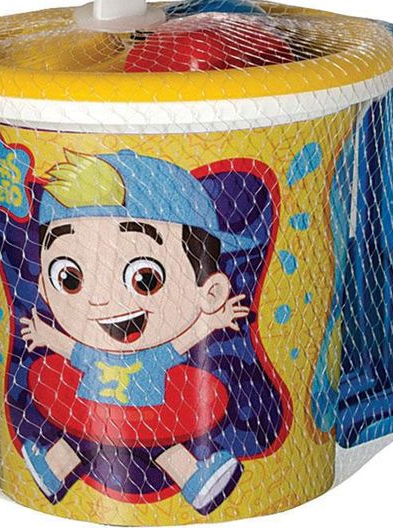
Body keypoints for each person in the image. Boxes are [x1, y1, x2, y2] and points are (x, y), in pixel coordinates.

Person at [19, 150, 250, 514]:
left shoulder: (148, 354)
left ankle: (54, 469)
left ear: (210, 291)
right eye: (69, 278)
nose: (100, 300)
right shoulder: (108, 353)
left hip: (122, 411)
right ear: (45, 289)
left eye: (145, 278)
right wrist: (46, 335)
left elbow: (181, 341)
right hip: (112, 411)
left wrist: (213, 322)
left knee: (100, 442)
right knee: (116, 443)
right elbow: (71, 349)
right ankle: (194, 479)